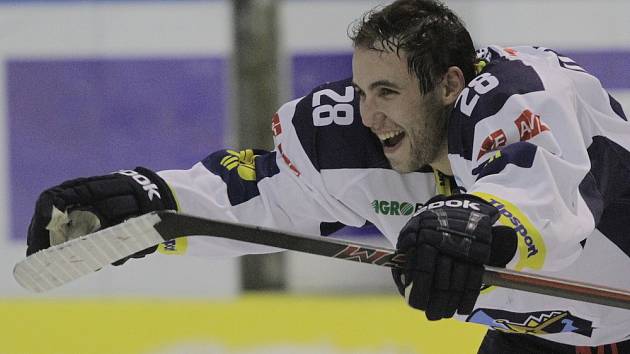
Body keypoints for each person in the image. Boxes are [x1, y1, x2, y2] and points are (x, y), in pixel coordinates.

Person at [25, 0, 630, 352]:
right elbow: (265, 197)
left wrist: (475, 226)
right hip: (546, 336)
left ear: (449, 84)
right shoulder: (358, 134)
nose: (370, 114)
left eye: (388, 91)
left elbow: (546, 198)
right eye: (363, 90)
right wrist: (151, 200)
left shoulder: (521, 97)